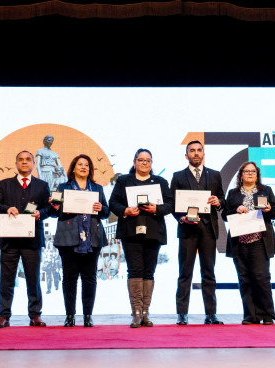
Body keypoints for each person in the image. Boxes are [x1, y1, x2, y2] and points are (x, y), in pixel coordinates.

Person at [109, 148, 173, 328]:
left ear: (151, 163)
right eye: (141, 160)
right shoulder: (123, 180)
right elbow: (113, 203)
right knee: (135, 270)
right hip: (130, 231)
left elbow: (170, 204)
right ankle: (136, 312)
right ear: (134, 161)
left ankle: (146, 312)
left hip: (153, 231)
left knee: (149, 272)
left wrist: (157, 209)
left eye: (148, 160)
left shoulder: (160, 182)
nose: (144, 163)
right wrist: (125, 210)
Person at [0, 151, 51, 328]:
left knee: (33, 279)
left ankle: (35, 315)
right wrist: (7, 208)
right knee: (6, 279)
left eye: (28, 160)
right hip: (9, 240)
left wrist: (41, 213)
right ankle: (3, 316)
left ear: (33, 163)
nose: (24, 163)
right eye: (21, 160)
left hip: (32, 241)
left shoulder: (42, 185)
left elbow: (49, 209)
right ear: (16, 163)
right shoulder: (3, 184)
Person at [51, 154, 109, 327]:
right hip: (68, 238)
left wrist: (101, 208)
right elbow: (54, 212)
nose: (83, 167)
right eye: (80, 164)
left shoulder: (97, 188)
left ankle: (87, 315)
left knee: (90, 278)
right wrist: (55, 207)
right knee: (69, 278)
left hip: (93, 238)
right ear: (73, 168)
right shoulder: (62, 187)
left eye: (87, 165)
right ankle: (70, 315)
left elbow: (106, 212)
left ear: (90, 169)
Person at [171, 140, 225, 325]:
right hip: (187, 228)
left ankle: (211, 313)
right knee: (185, 273)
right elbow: (173, 204)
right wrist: (181, 217)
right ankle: (182, 313)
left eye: (199, 150)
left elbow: (222, 200)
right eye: (192, 151)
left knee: (208, 272)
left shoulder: (215, 175)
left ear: (203, 154)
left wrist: (218, 202)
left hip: (209, 229)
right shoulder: (178, 176)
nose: (195, 153)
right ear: (186, 155)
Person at [222, 161, 275, 325]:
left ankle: (267, 315)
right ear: (240, 175)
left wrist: (269, 210)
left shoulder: (266, 190)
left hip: (259, 240)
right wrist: (235, 210)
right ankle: (250, 315)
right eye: (246, 171)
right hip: (239, 241)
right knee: (245, 279)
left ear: (257, 174)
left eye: (253, 171)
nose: (250, 174)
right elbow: (225, 215)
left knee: (261, 277)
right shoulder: (233, 193)